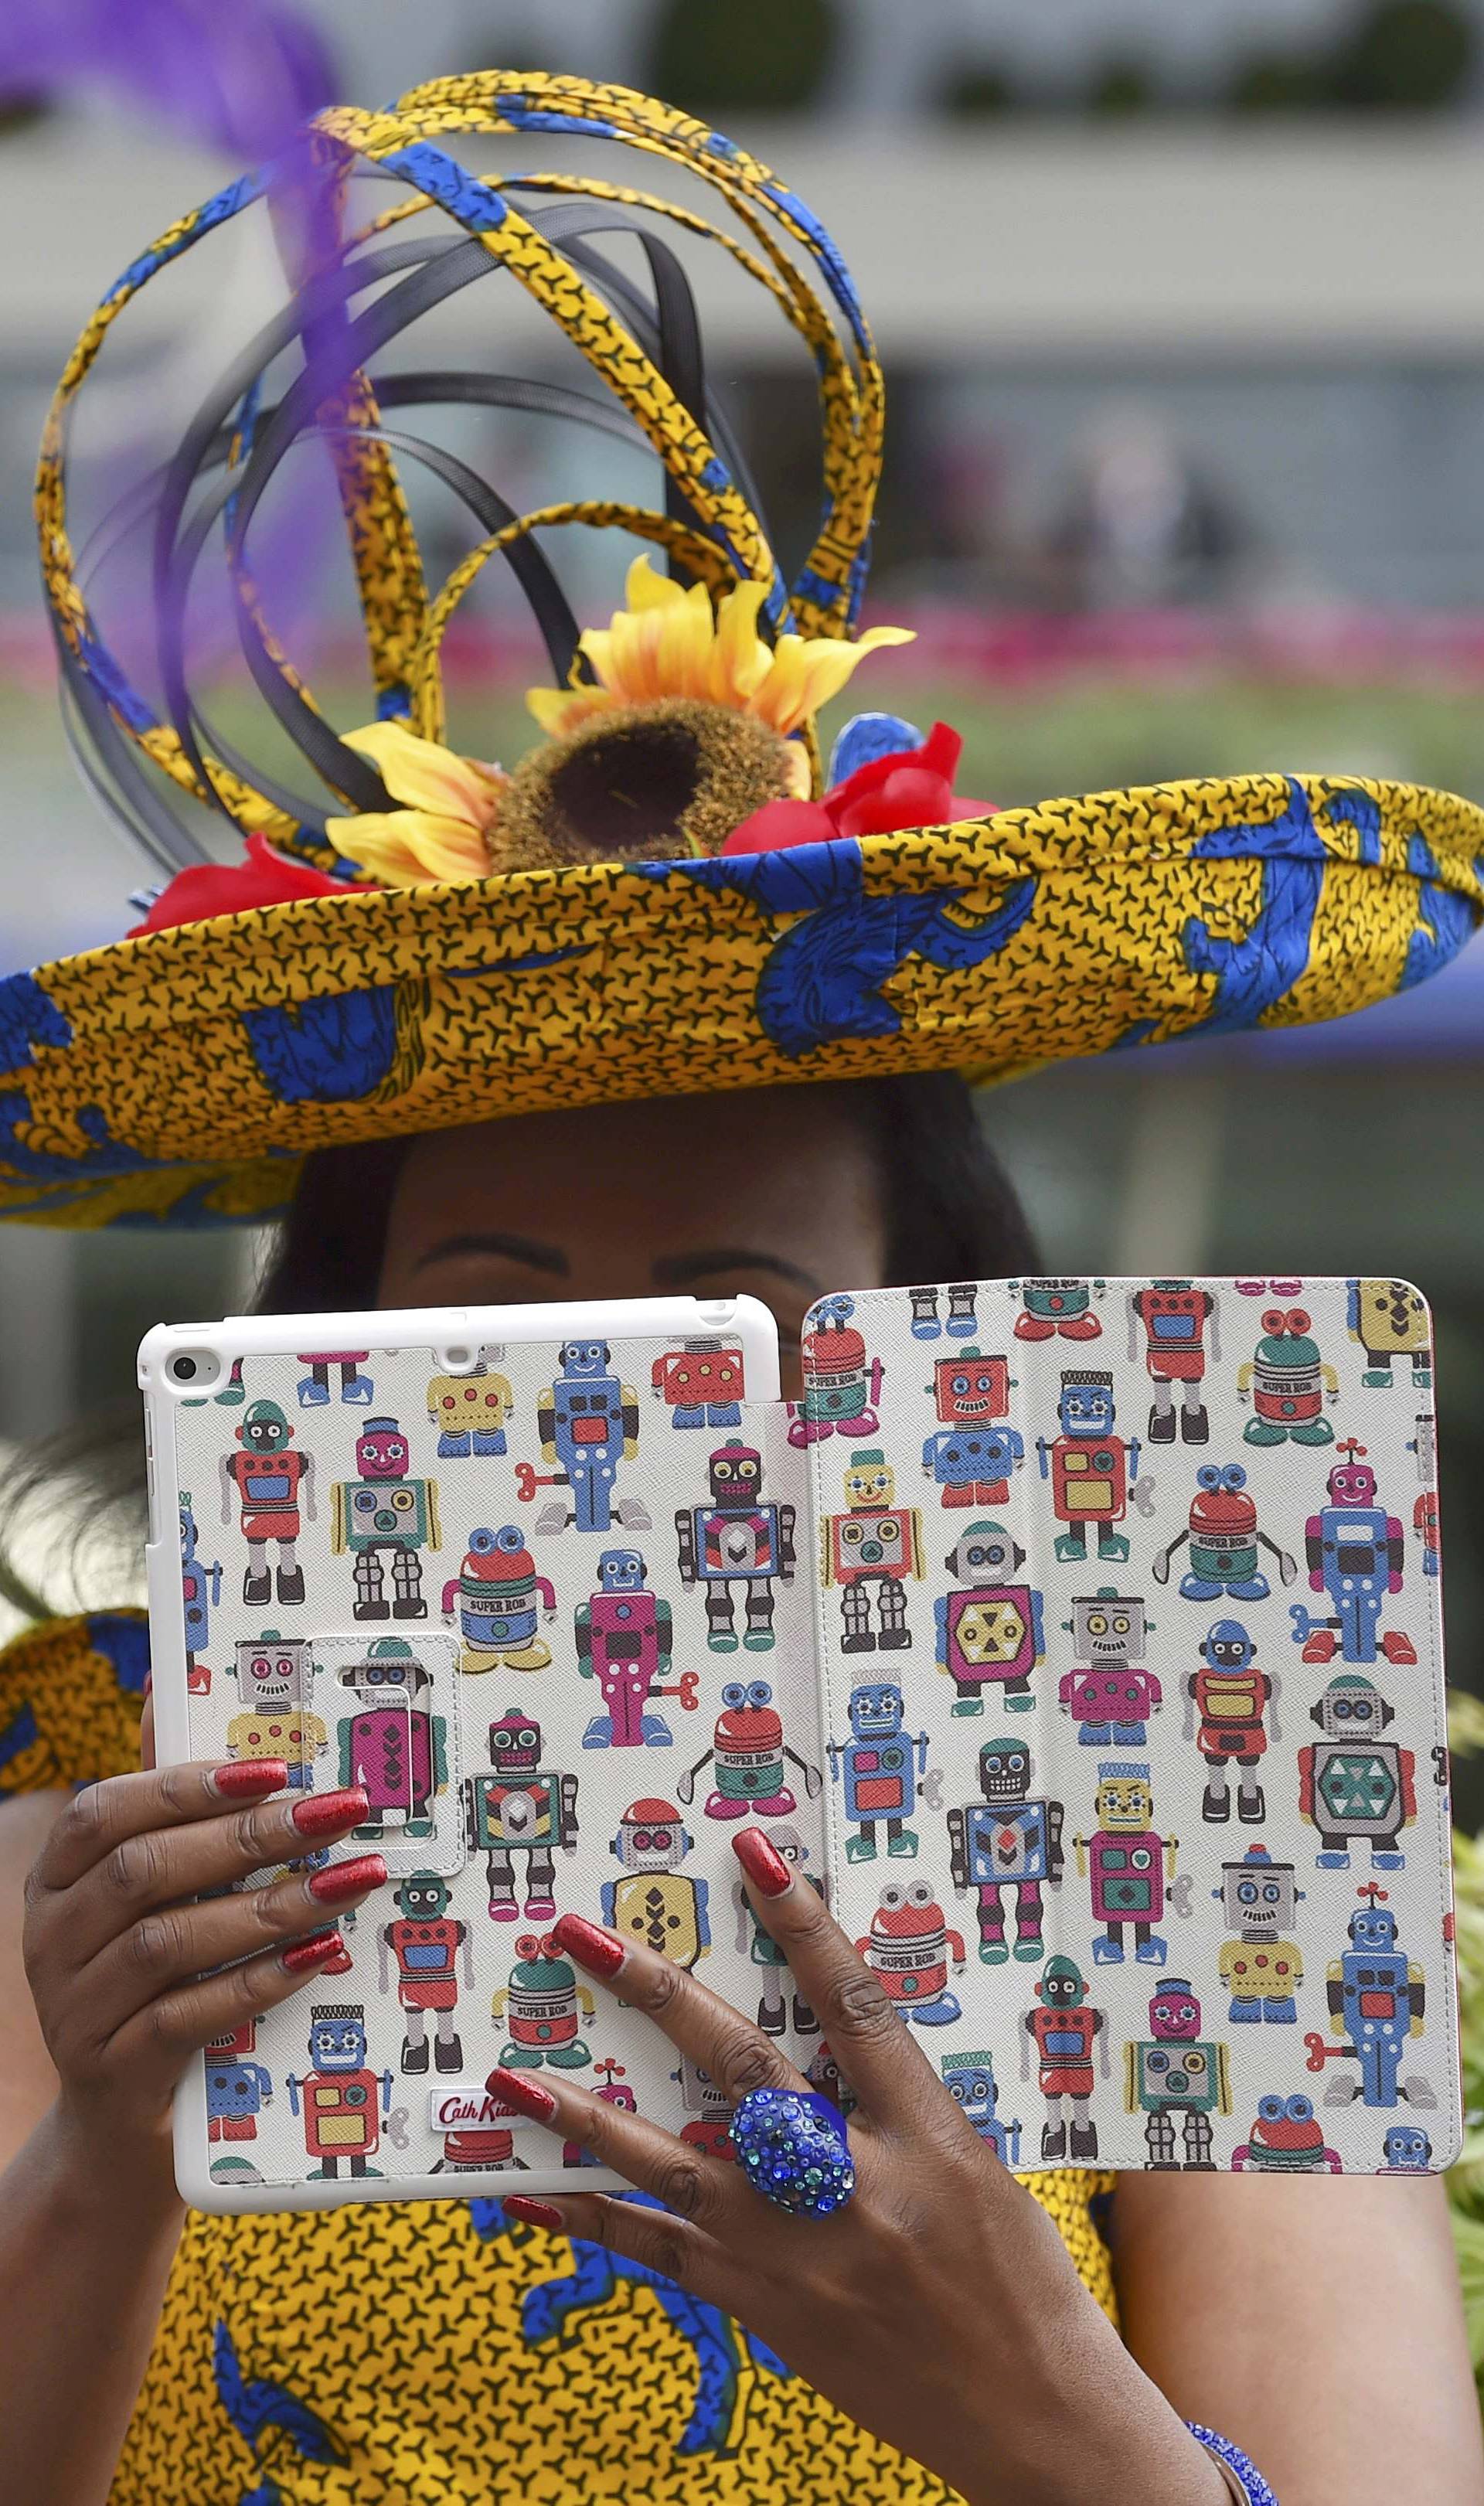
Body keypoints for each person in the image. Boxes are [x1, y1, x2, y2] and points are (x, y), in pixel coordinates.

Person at [1, 70, 1482, 2506]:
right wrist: (109, 2157)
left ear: (921, 1337)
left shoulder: (1186, 1773)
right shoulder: (107, 1820)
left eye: (729, 1326)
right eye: (488, 1304)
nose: (606, 1422)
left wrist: (1025, 2384)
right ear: (314, 1346)